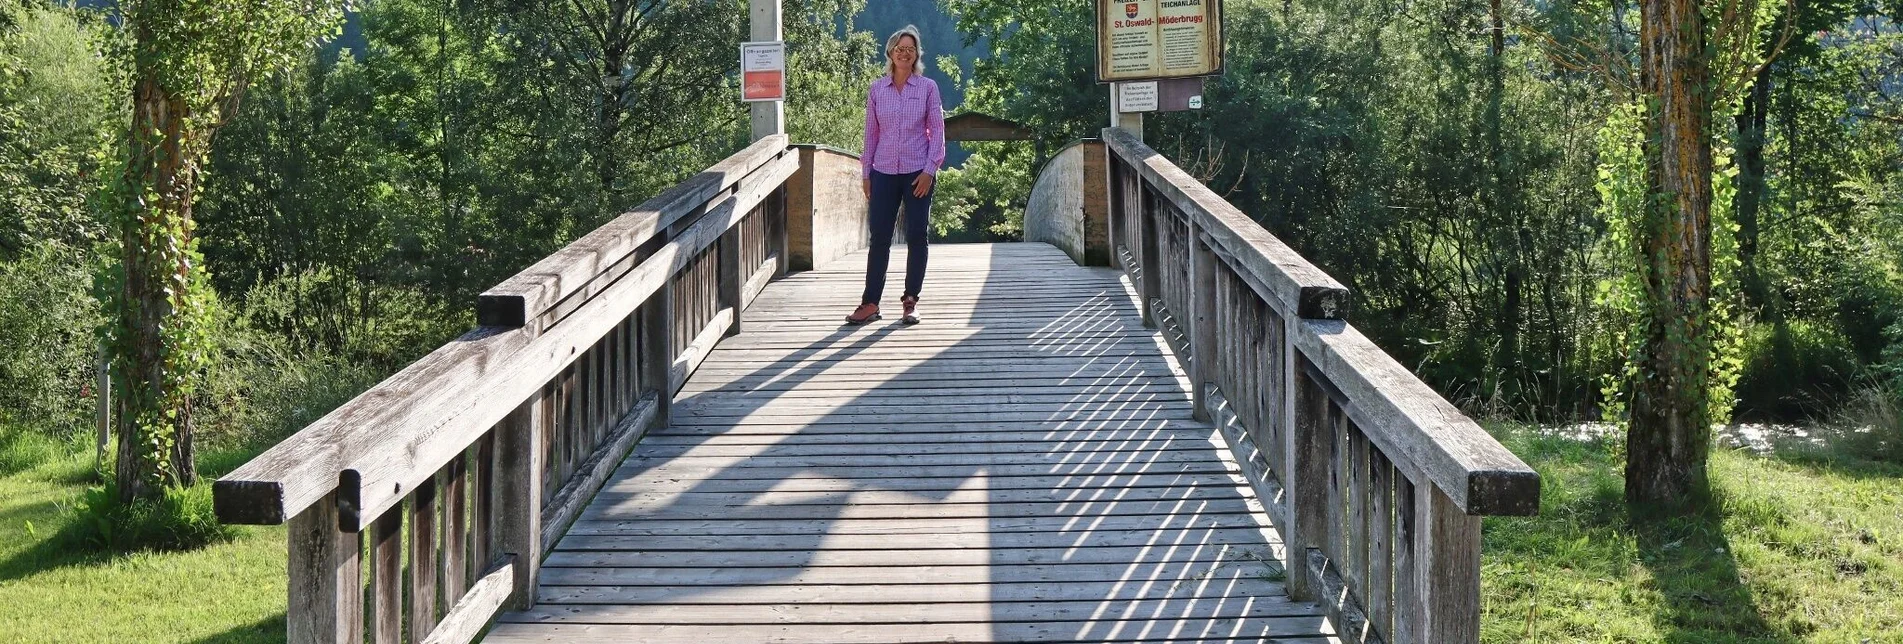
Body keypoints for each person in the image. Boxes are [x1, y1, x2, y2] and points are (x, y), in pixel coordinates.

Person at [847, 24, 944, 326]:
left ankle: (911, 300)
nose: (904, 53)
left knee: (917, 235)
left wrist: (930, 170)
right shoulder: (877, 89)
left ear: (916, 55)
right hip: (883, 172)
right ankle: (870, 304)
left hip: (918, 173)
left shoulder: (928, 87)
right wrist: (866, 173)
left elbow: (938, 132)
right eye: (900, 48)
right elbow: (870, 134)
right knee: (879, 239)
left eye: (910, 49)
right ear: (890, 52)